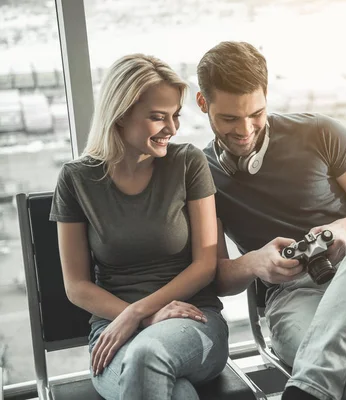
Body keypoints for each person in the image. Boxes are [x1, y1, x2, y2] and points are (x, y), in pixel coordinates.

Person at [197, 41, 346, 400]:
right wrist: (256, 262)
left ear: (267, 95)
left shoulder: (320, 132)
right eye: (229, 119)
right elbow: (218, 278)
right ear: (203, 104)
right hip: (296, 299)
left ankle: (309, 389)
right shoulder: (202, 175)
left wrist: (344, 228)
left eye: (256, 113)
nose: (246, 129)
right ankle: (316, 383)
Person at [50, 54, 228, 400]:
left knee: (149, 355)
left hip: (195, 323)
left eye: (175, 116)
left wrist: (140, 312)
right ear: (120, 114)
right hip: (115, 332)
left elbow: (205, 264)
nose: (172, 129)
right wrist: (138, 318)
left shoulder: (187, 162)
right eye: (157, 117)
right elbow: (77, 286)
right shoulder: (76, 179)